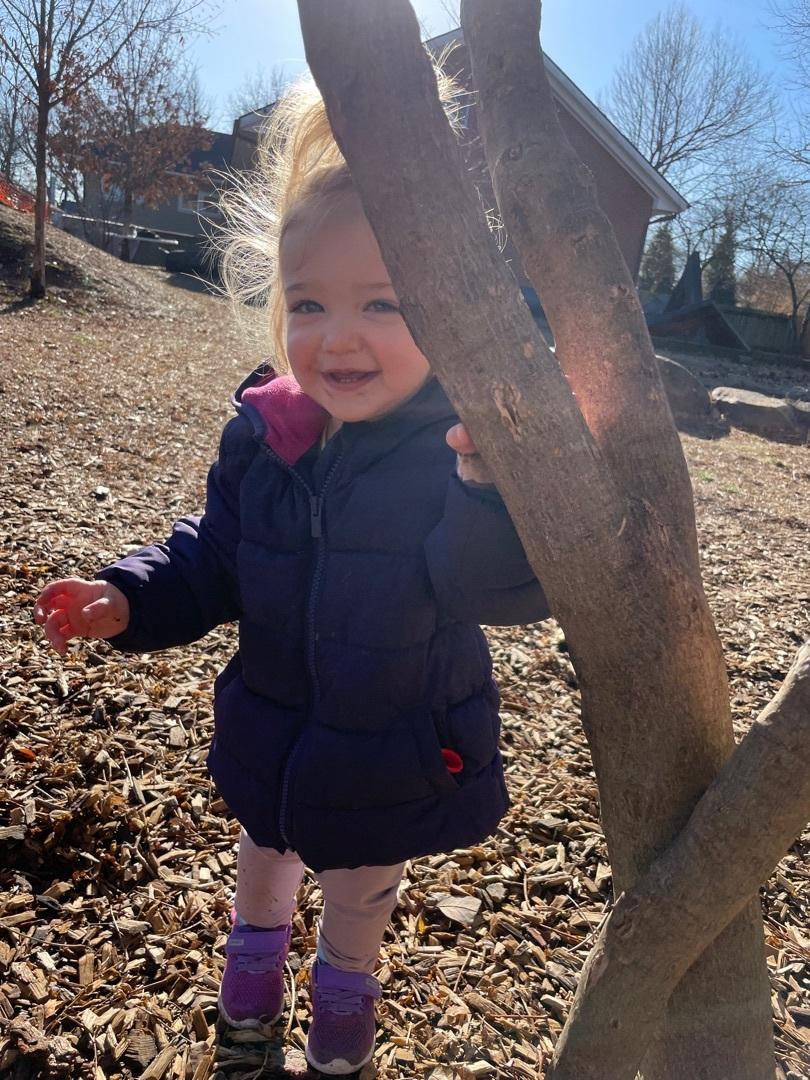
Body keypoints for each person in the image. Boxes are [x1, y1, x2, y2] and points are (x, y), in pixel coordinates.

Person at [33, 78, 549, 1076]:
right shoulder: (265, 438)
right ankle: (246, 1028)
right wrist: (128, 595)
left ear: (446, 315)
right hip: (274, 730)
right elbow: (216, 554)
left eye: (382, 304)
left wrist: (487, 487)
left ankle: (339, 1049)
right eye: (309, 302)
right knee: (259, 883)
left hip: (394, 746)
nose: (337, 334)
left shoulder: (455, 449)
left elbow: (493, 586)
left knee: (358, 907)